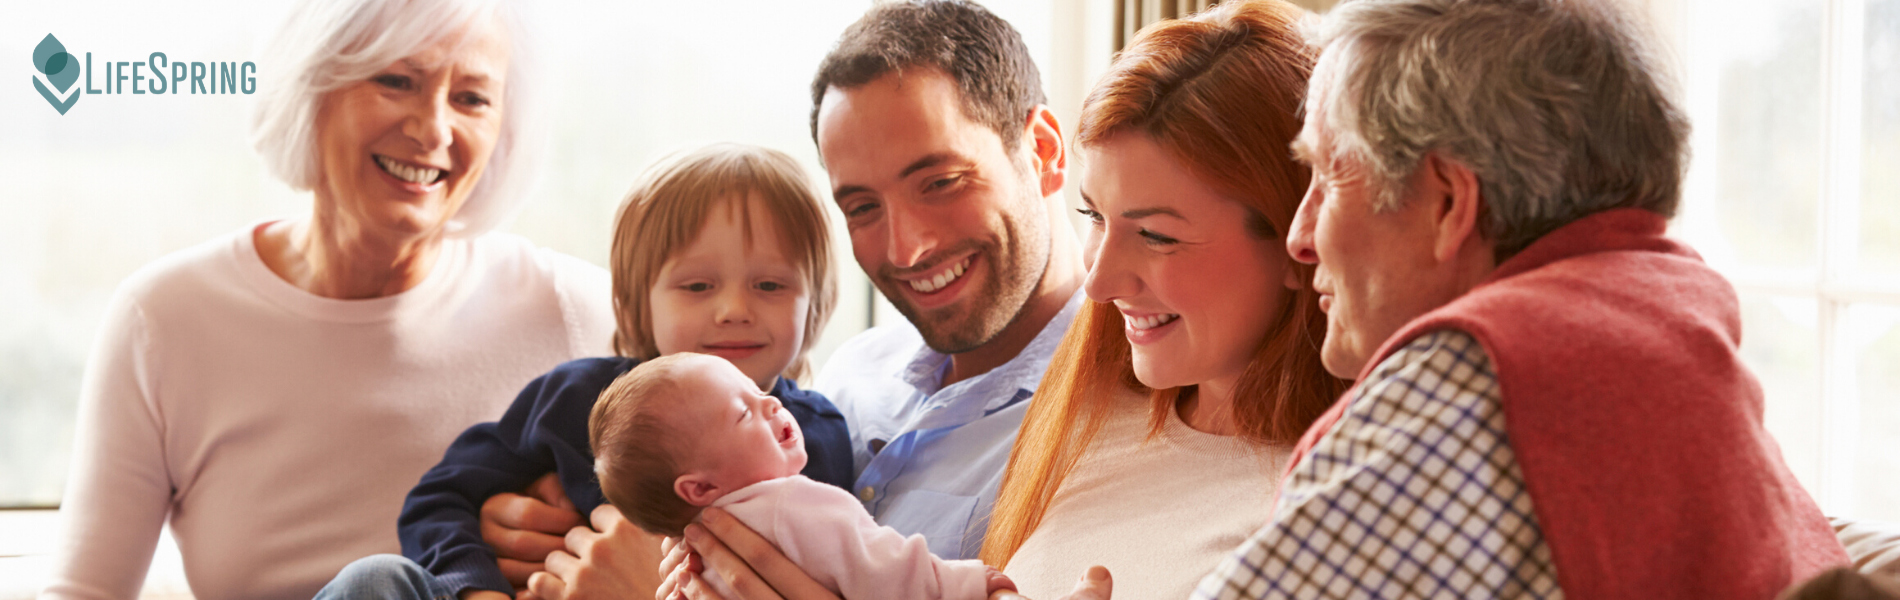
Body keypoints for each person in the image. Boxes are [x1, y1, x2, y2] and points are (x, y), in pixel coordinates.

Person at [1188, 0, 1851, 598]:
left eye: (1329, 181)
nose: (1300, 239)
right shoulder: (1668, 319)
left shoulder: (1477, 381)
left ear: (1448, 202)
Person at [39, 0, 619, 598]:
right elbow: (86, 590)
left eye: (472, 98)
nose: (433, 129)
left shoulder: (577, 311)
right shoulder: (163, 320)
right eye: (397, 81)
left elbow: (699, 536)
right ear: (308, 88)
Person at [312, 144, 857, 600]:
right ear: (635, 303)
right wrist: (476, 591)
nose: (733, 309)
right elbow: (441, 499)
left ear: (817, 304)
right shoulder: (577, 397)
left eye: (770, 286)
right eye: (697, 287)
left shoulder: (818, 436)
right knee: (374, 580)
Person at [978, 2, 1350, 598]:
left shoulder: (1325, 510)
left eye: (1157, 235)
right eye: (1093, 215)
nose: (1098, 284)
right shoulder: (1099, 408)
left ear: (1297, 239)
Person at [590, 353, 1017, 600]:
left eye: (760, 392)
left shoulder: (691, 553)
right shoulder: (796, 505)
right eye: (743, 413)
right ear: (700, 488)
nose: (773, 405)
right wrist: (972, 582)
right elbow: (888, 569)